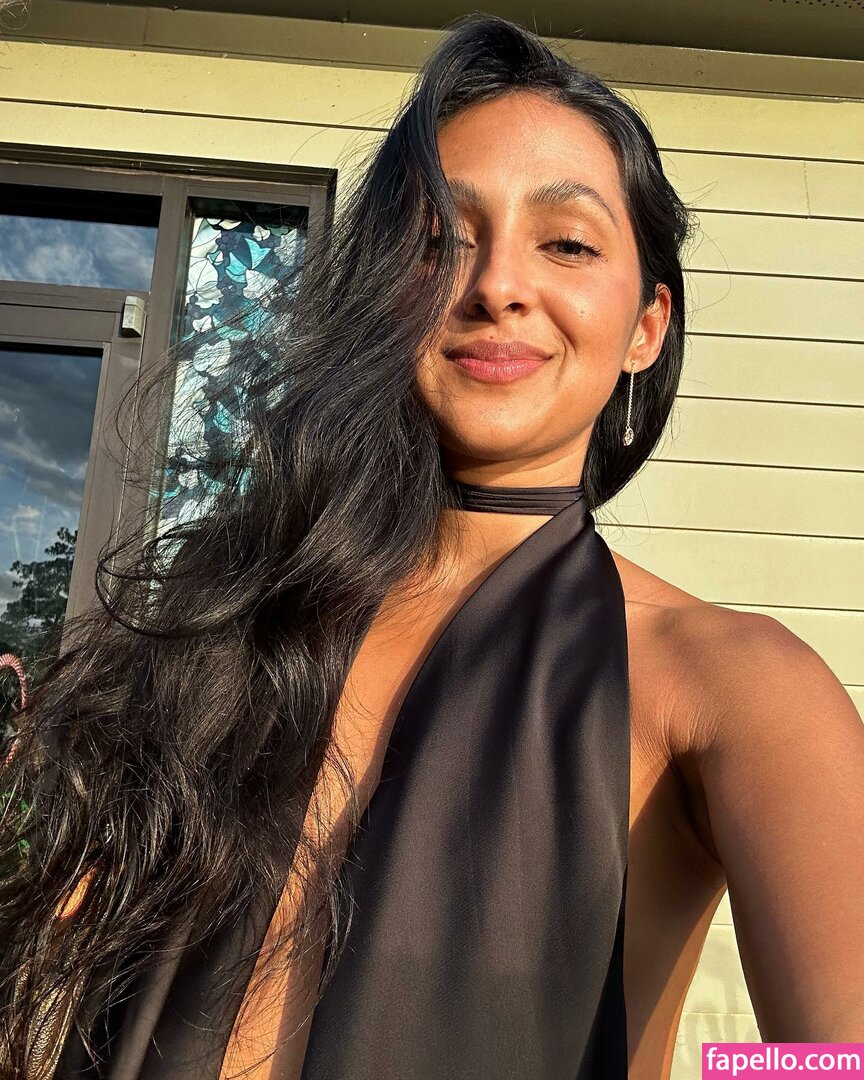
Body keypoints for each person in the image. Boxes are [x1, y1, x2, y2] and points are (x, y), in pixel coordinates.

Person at [1, 14, 863, 1080]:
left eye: (567, 242)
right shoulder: (225, 620)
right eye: (439, 240)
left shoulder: (734, 683)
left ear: (647, 325)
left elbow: (840, 1057)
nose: (496, 284)